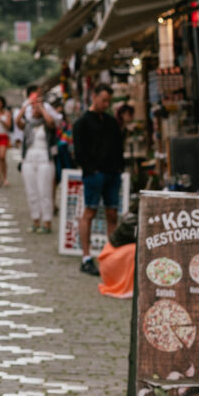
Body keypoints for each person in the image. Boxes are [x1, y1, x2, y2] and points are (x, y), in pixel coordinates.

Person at [72, 82, 124, 277]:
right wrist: (91, 169)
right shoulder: (83, 122)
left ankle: (112, 255)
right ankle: (86, 256)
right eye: (103, 100)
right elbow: (78, 150)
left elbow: (118, 145)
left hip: (112, 173)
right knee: (90, 212)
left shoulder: (110, 122)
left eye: (108, 101)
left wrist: (118, 167)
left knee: (112, 213)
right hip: (95, 173)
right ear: (94, 97)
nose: (105, 104)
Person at [15, 88, 57, 234]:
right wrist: (27, 105)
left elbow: (51, 122)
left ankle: (47, 222)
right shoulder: (28, 123)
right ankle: (35, 220)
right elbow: (17, 121)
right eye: (33, 108)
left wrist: (42, 108)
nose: (35, 110)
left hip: (45, 158)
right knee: (31, 191)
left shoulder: (47, 124)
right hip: (29, 158)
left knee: (45, 191)